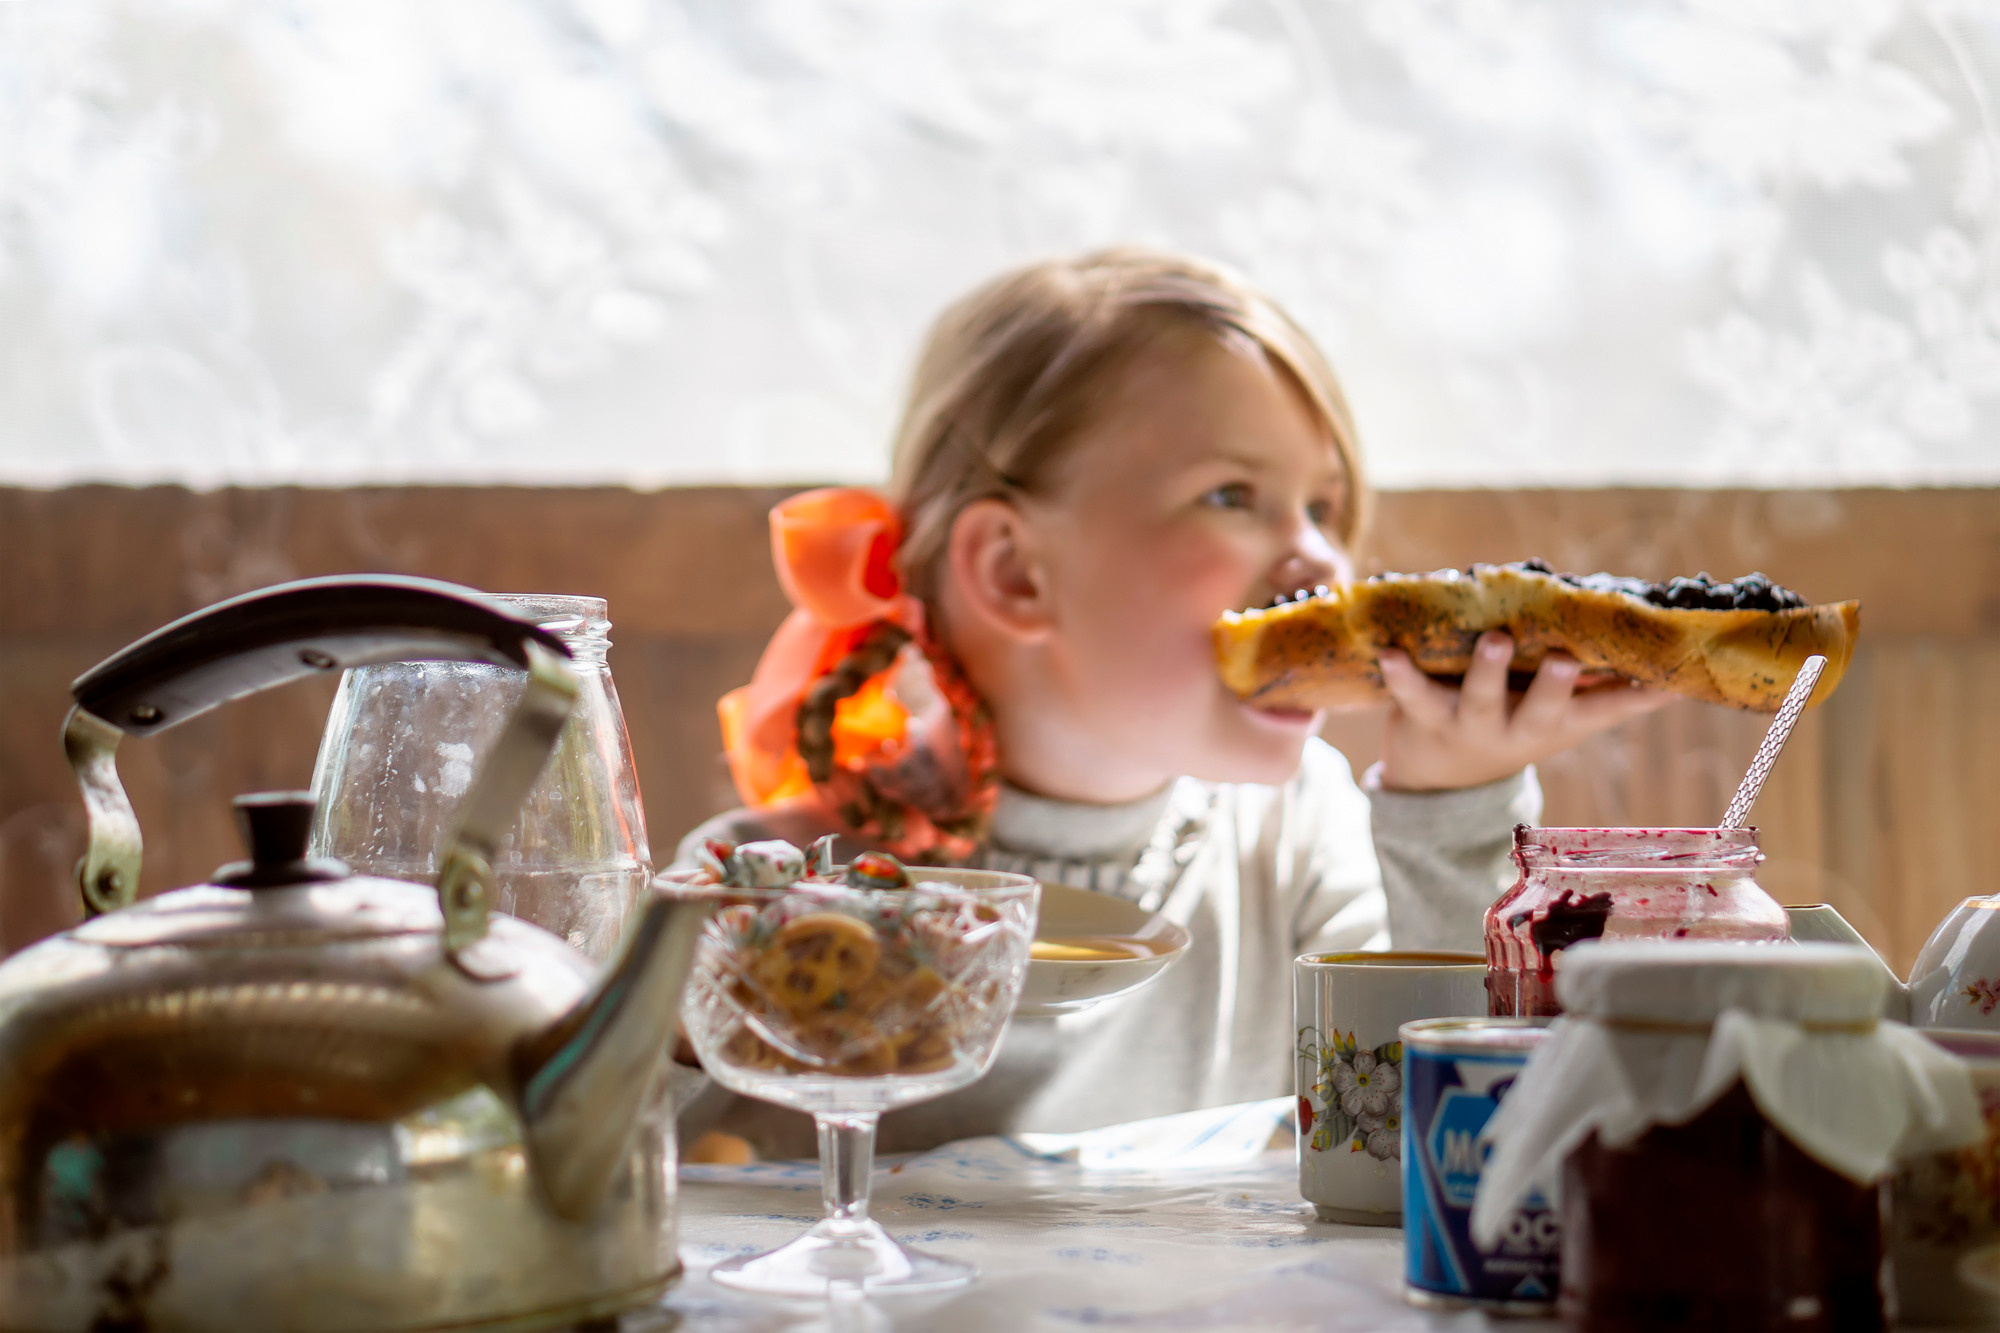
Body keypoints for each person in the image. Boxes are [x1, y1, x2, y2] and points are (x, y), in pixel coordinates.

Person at [676, 248, 1668, 1156]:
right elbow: (612, 1176)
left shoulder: (1301, 836)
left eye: (1322, 508)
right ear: (1015, 571)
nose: (1323, 558)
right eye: (1231, 494)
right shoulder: (769, 890)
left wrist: (1456, 805)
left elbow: (1452, 1127)